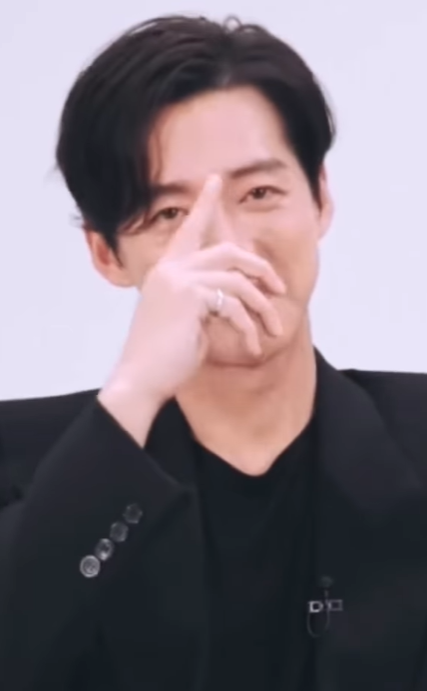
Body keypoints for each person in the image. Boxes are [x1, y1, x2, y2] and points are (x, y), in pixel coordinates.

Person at [1, 13, 427, 691]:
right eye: (170, 215)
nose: (227, 246)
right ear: (106, 253)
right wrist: (133, 392)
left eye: (259, 193)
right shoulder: (25, 467)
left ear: (320, 199)